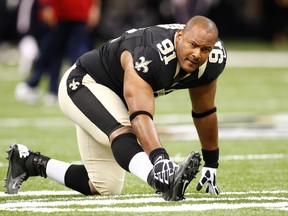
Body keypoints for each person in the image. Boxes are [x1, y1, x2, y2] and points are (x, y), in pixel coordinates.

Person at [5, 15, 226, 201]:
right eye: (192, 45)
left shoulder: (212, 61)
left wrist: (211, 163)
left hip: (112, 99)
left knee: (106, 186)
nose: (197, 54)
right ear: (180, 37)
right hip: (84, 84)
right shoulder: (149, 52)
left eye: (205, 49)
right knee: (122, 130)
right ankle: (163, 183)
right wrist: (160, 160)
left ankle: (28, 162)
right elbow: (139, 114)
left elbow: (204, 111)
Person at [15, 0, 101, 106]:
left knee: (78, 56)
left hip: (80, 14)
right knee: (50, 54)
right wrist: (46, 5)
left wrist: (95, 8)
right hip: (57, 13)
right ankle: (37, 85)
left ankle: (74, 91)